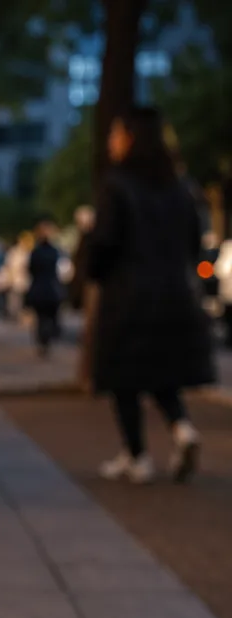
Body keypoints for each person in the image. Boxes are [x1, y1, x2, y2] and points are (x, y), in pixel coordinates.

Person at [88, 106, 213, 484]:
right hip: (174, 294)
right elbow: (195, 244)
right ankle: (182, 429)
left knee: (124, 377)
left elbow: (105, 242)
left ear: (129, 138)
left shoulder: (117, 185)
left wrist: (91, 265)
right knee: (163, 375)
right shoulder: (180, 187)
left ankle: (137, 456)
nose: (111, 142)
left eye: (115, 134)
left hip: (128, 294)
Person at [26, 218, 65, 356]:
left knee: (41, 317)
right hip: (51, 288)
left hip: (38, 288)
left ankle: (43, 340)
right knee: (49, 316)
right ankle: (47, 338)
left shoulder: (35, 252)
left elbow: (30, 269)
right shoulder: (54, 252)